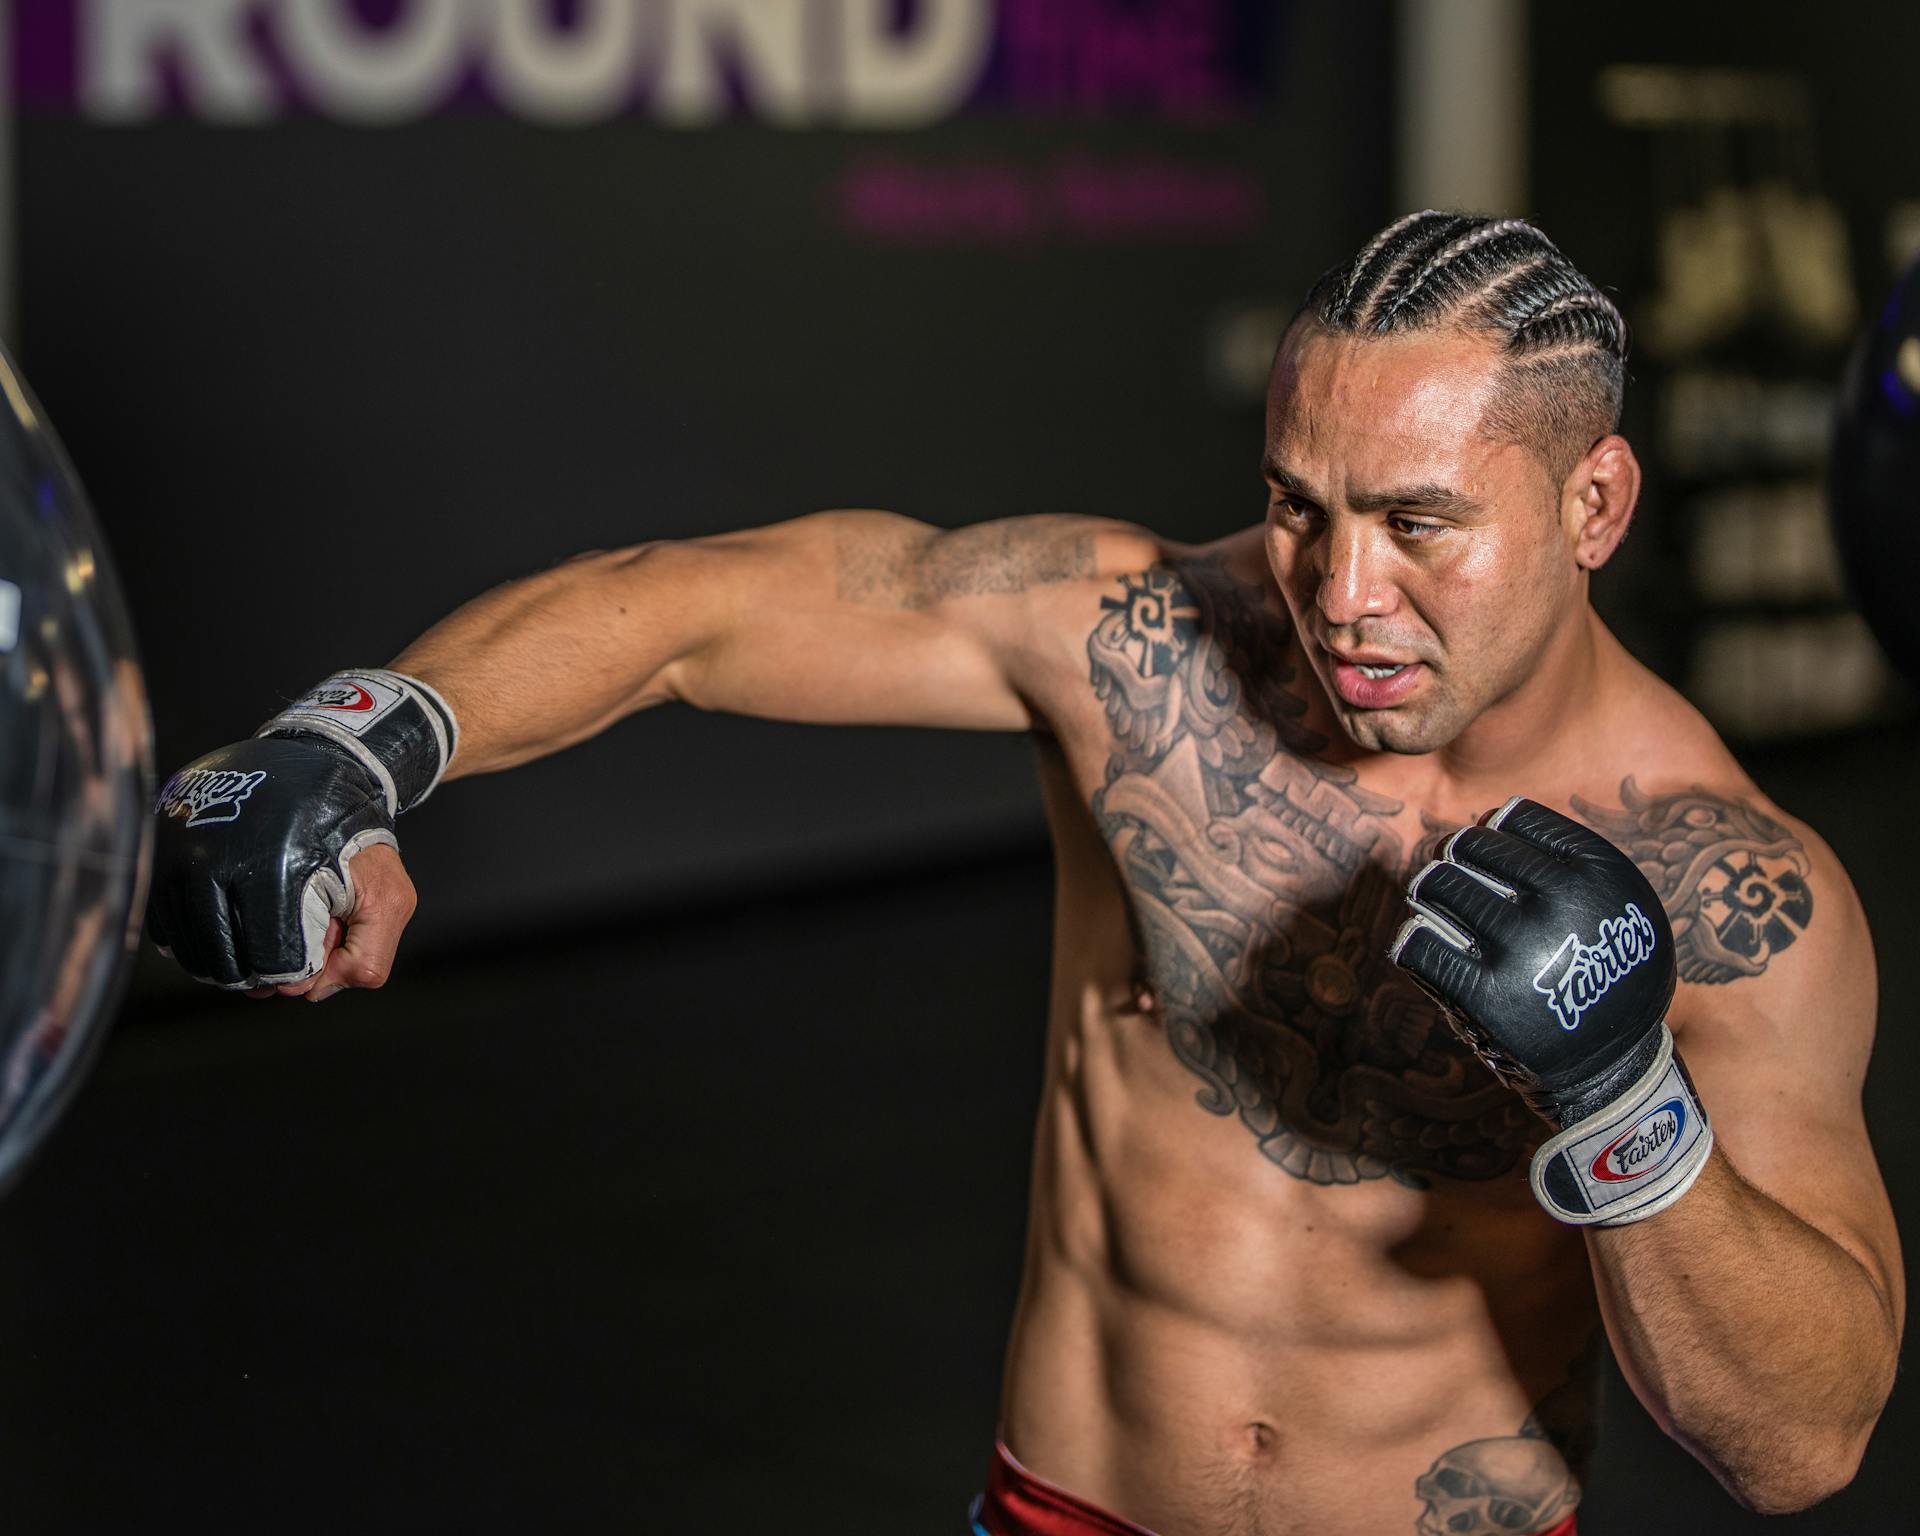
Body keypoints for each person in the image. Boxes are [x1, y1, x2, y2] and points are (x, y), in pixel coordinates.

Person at [149, 212, 1902, 1535]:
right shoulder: (1142, 648)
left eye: (1421, 523)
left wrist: (1626, 1104)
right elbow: (697, 608)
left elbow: (1805, 1439)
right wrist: (364, 737)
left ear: (1596, 503)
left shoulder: (1735, 887)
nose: (1344, 592)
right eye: (1303, 505)